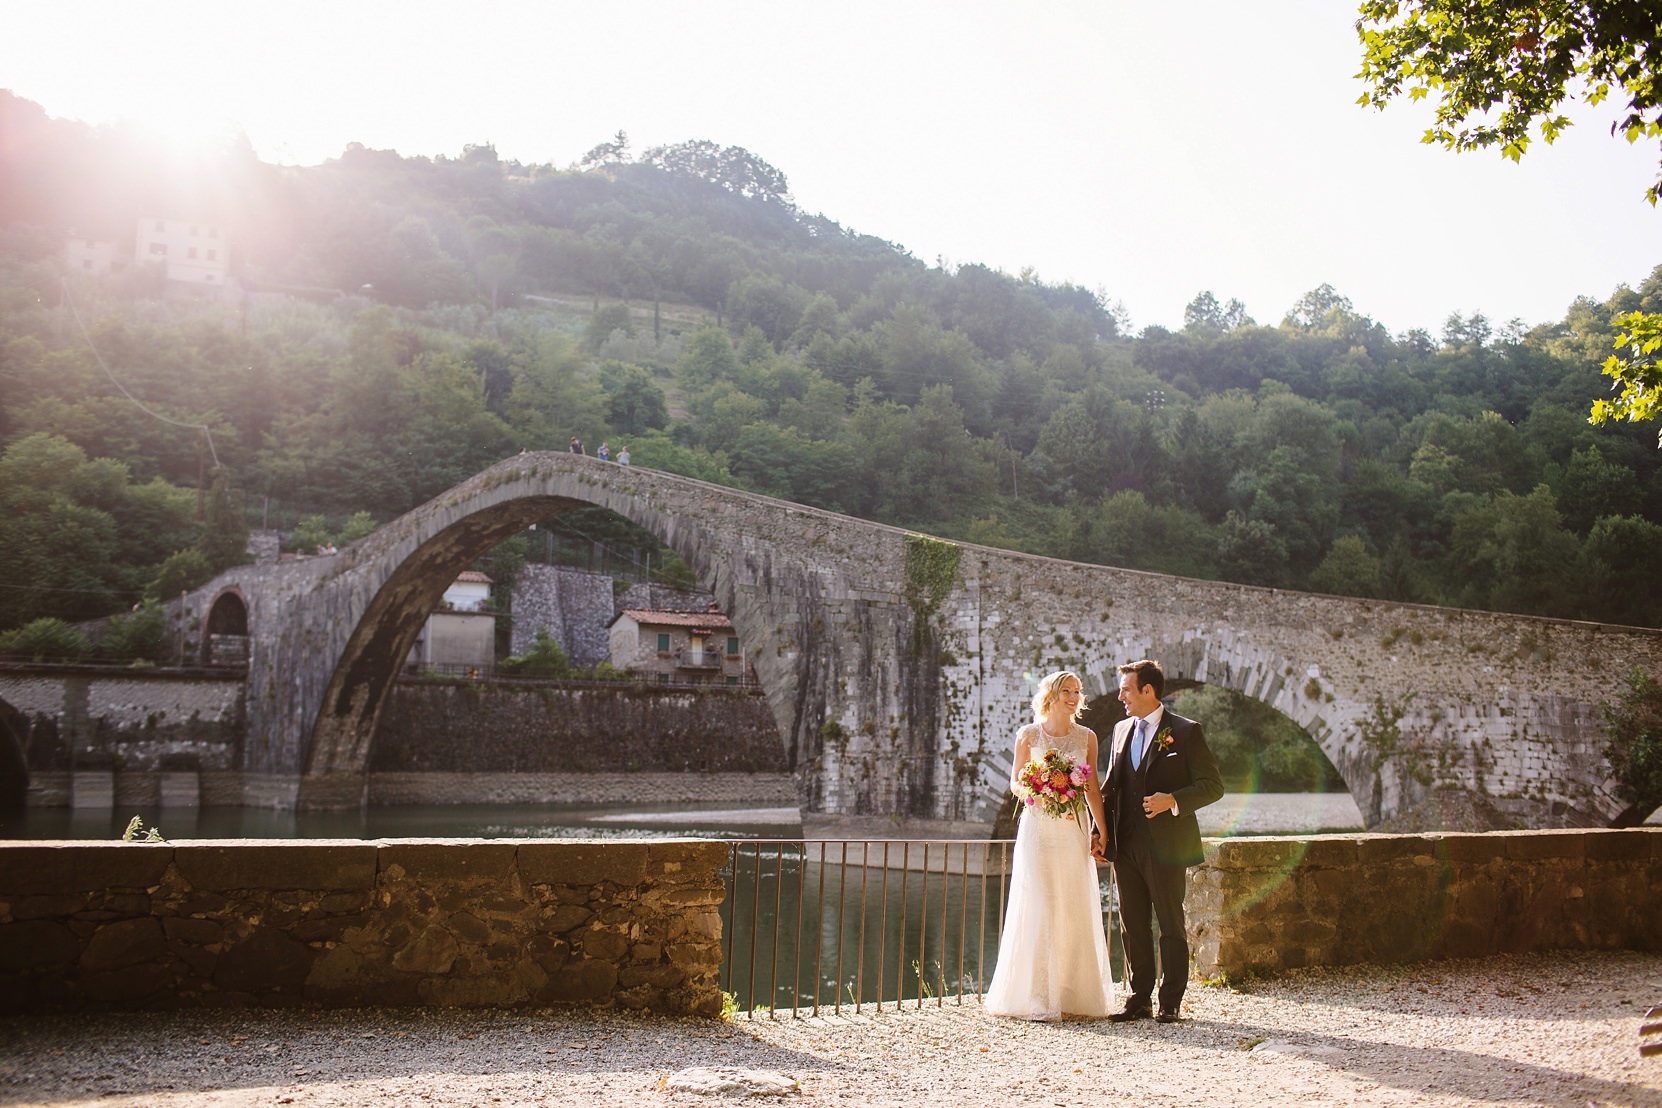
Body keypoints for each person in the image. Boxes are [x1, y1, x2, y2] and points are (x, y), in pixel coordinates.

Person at [1094, 659, 1224, 1024]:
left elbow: (1213, 786)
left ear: (1147, 691)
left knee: (1169, 922)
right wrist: (1097, 830)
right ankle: (1139, 997)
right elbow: (1110, 787)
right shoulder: (1121, 731)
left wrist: (1173, 801)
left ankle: (1171, 1000)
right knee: (1132, 924)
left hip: (1167, 845)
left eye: (1126, 689)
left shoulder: (1185, 731)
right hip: (1126, 844)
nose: (1120, 696)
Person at [984, 670, 1114, 1020]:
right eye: (1067, 691)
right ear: (1052, 695)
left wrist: (1102, 833)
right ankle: (1039, 997)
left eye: (1077, 692)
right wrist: (1036, 787)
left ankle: (1073, 995)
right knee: (1039, 904)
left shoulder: (1086, 737)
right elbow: (1014, 781)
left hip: (1073, 831)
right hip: (1038, 829)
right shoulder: (1027, 734)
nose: (1074, 697)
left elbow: (1092, 789)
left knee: (1072, 905)